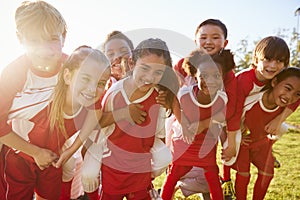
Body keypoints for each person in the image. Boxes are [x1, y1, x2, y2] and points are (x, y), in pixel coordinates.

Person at [0, 45, 110, 200]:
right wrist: (36, 153)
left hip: (52, 159)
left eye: (101, 83)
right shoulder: (38, 103)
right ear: (67, 76)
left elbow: (96, 115)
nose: (92, 88)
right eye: (85, 78)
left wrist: (70, 150)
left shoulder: (89, 105)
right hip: (20, 159)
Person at [159, 19, 236, 199]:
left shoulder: (227, 77)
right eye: (203, 37)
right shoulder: (183, 72)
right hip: (183, 128)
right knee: (176, 171)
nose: (208, 41)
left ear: (224, 42)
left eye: (215, 37)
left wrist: (203, 125)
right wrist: (184, 122)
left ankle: (219, 188)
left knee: (208, 171)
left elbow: (230, 109)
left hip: (208, 131)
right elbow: (173, 98)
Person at [98, 38, 178, 199]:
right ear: (132, 63)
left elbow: (159, 133)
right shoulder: (115, 93)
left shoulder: (158, 97)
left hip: (140, 165)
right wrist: (124, 113)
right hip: (114, 165)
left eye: (158, 72)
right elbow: (98, 122)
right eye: (145, 68)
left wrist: (155, 161)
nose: (150, 77)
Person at [221, 36, 293, 199]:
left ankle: (269, 150)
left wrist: (279, 119)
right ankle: (225, 180)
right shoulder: (245, 79)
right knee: (232, 148)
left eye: (280, 61)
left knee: (282, 128)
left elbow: (296, 96)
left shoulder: (278, 78)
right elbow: (234, 111)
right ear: (256, 59)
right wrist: (235, 136)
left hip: (251, 118)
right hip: (230, 116)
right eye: (267, 59)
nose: (273, 65)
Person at [231, 67, 300, 200]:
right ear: (274, 82)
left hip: (262, 143)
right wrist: (238, 136)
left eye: (297, 93)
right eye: (287, 88)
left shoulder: (284, 103)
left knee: (268, 173)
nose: (290, 96)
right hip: (244, 143)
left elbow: (296, 101)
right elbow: (231, 118)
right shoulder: (253, 101)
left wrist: (279, 120)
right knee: (244, 175)